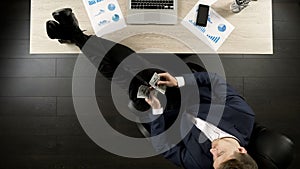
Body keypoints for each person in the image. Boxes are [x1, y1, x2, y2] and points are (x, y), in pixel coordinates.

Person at [46, 8, 258, 169]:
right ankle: (73, 33)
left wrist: (156, 109)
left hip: (161, 112)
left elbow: (164, 147)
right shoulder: (243, 117)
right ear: (241, 149)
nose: (212, 150)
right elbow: (215, 81)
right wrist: (179, 82)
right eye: (220, 153)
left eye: (214, 159)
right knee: (132, 68)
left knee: (128, 74)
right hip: (181, 89)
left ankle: (72, 32)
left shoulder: (199, 163)